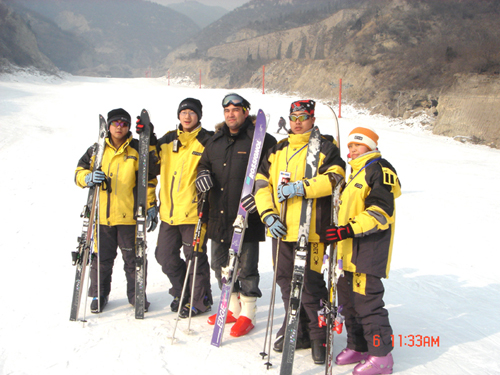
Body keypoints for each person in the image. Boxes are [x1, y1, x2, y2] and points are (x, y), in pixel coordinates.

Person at [253, 99, 346, 365]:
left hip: (312, 230)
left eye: (303, 117)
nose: (297, 121)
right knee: (284, 280)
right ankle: (298, 328)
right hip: (281, 229)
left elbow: (336, 177)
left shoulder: (326, 147)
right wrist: (267, 214)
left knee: (310, 285)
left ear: (312, 119)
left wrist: (301, 188)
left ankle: (319, 336)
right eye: (293, 116)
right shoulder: (278, 148)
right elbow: (262, 183)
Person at [196, 93, 277, 337]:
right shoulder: (215, 140)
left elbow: (270, 173)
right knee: (218, 264)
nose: (231, 114)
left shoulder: (261, 139)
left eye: (236, 109)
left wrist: (261, 196)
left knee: (246, 267)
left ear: (245, 112)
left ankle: (248, 313)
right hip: (218, 214)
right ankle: (231, 308)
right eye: (227, 110)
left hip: (246, 214)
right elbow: (203, 164)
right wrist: (202, 174)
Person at [326, 127, 400, 375]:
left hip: (368, 251)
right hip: (348, 252)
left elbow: (381, 212)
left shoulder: (379, 168)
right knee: (349, 304)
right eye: (350, 146)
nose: (352, 149)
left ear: (371, 146)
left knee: (368, 305)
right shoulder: (355, 174)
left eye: (358, 145)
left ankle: (381, 357)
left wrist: (347, 230)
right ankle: (358, 346)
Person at [74, 108, 158, 313]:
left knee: (134, 260)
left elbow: (149, 179)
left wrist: (150, 205)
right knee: (101, 260)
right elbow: (79, 171)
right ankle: (99, 295)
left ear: (129, 127)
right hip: (102, 216)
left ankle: (136, 295)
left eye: (123, 124)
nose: (119, 127)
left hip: (129, 217)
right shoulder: (98, 149)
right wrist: (86, 178)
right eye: (115, 123)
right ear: (109, 126)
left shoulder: (138, 149)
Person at [150, 98, 214, 318]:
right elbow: (150, 164)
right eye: (184, 112)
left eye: (192, 113)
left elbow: (218, 168)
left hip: (194, 212)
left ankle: (200, 300)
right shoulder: (167, 140)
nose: (187, 117)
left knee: (195, 257)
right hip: (168, 213)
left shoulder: (208, 140)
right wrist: (146, 138)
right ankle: (182, 291)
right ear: (178, 115)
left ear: (199, 116)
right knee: (164, 256)